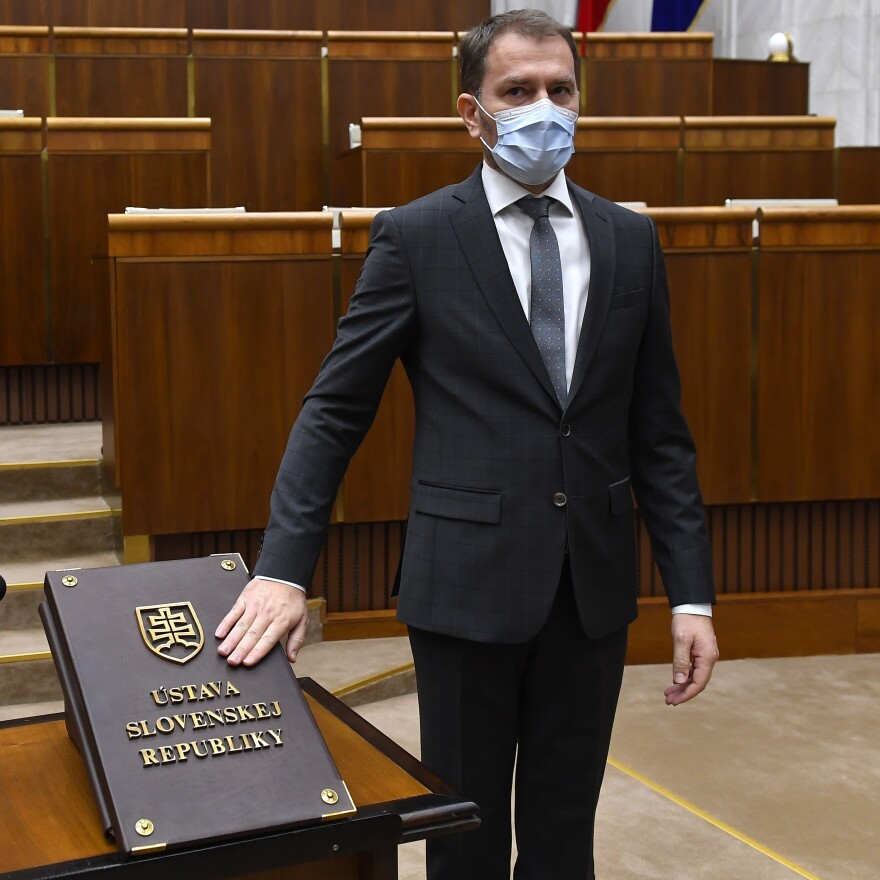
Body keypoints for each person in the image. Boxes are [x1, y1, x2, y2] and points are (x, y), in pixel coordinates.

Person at [215, 9, 719, 879]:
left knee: (566, 839)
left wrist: (692, 597)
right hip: (465, 588)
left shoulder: (628, 238)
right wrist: (284, 568)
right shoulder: (417, 237)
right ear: (470, 112)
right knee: (465, 843)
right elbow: (335, 410)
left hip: (590, 588)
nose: (543, 108)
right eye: (516, 91)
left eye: (560, 90)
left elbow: (660, 434)